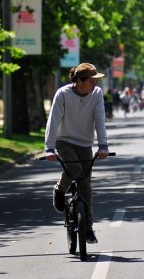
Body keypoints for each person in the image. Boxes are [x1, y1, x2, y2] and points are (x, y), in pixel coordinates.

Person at [44, 63, 110, 244]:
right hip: (64, 140)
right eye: (92, 80)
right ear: (79, 81)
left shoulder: (96, 94)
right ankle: (60, 189)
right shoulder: (63, 94)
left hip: (84, 142)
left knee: (85, 185)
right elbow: (53, 120)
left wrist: (103, 145)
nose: (95, 84)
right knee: (75, 170)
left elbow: (100, 119)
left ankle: (87, 229)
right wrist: (49, 148)